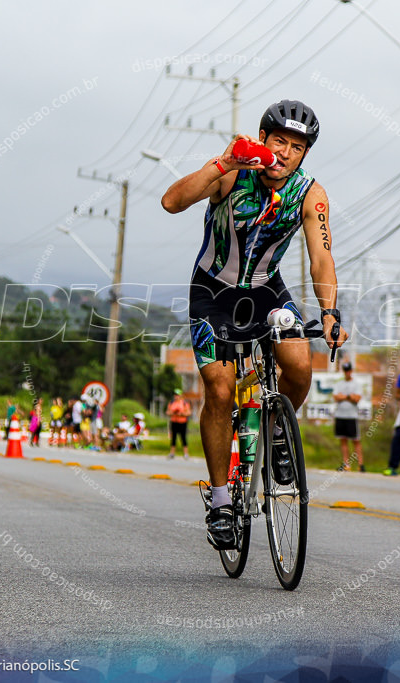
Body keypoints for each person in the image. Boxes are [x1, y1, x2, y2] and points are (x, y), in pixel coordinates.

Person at [160, 99, 347, 550]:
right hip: (214, 292)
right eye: (278, 141)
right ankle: (222, 500)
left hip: (266, 289)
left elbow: (321, 256)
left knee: (300, 366)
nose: (284, 153)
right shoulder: (231, 172)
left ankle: (278, 434)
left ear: (305, 154)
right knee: (221, 391)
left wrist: (329, 310)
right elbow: (172, 202)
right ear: (262, 140)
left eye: (296, 147)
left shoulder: (310, 193)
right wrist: (223, 162)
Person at [333, 361, 364, 472]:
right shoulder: (339, 384)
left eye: (348, 370)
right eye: (345, 371)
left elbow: (357, 398)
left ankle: (361, 464)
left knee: (356, 440)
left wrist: (345, 396)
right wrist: (349, 396)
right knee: (343, 440)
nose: (347, 373)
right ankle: (346, 464)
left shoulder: (356, 384)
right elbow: (336, 397)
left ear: (351, 371)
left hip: (351, 416)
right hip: (340, 415)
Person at [167, 389, 192, 460]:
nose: (176, 396)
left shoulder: (184, 403)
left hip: (182, 422)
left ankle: (186, 454)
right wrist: (173, 413)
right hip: (174, 421)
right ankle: (172, 453)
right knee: (173, 438)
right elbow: (168, 412)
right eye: (175, 394)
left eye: (177, 395)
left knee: (183, 438)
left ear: (180, 395)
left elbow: (188, 413)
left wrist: (181, 414)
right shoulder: (171, 403)